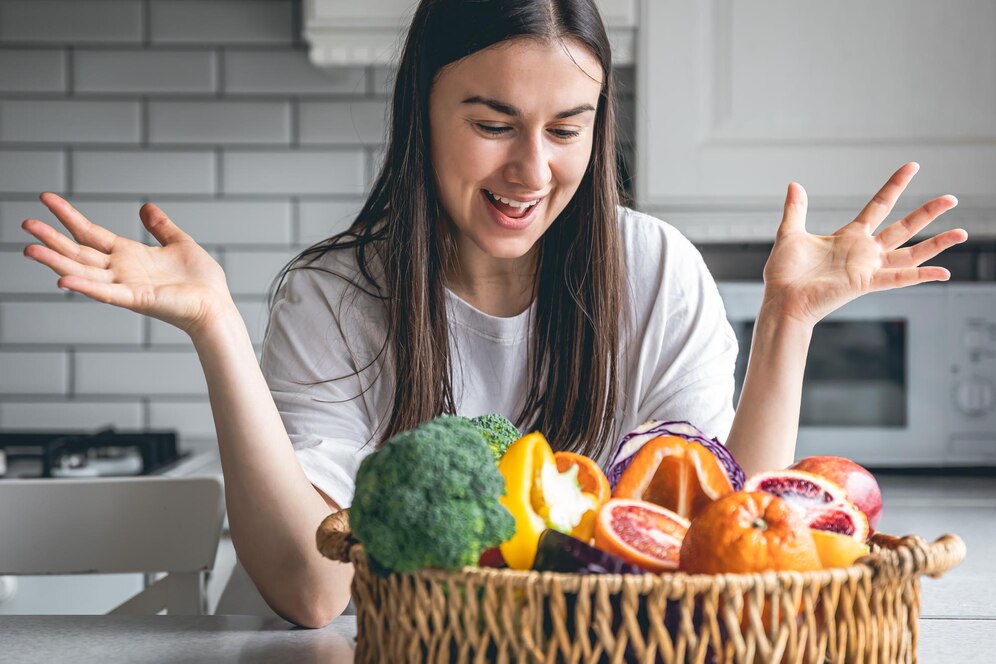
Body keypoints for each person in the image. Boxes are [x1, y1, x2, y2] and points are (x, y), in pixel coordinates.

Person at [20, 0, 964, 628]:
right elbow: (313, 592)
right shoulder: (337, 298)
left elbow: (719, 551)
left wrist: (790, 321)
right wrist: (215, 324)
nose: (532, 170)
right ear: (421, 108)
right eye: (491, 123)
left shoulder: (656, 270)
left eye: (567, 128)